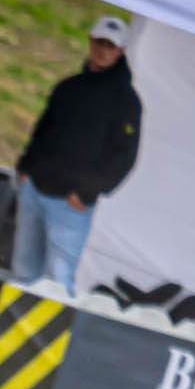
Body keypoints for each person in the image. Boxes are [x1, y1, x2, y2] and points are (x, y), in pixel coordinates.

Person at [11, 15, 144, 292]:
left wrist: (87, 192)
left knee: (58, 279)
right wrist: (25, 168)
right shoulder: (68, 87)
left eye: (110, 46)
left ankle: (48, 324)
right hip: (35, 188)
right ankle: (11, 321)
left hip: (70, 204)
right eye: (99, 42)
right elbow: (42, 129)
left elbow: (124, 157)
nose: (103, 50)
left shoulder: (127, 101)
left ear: (120, 51)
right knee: (23, 269)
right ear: (90, 41)